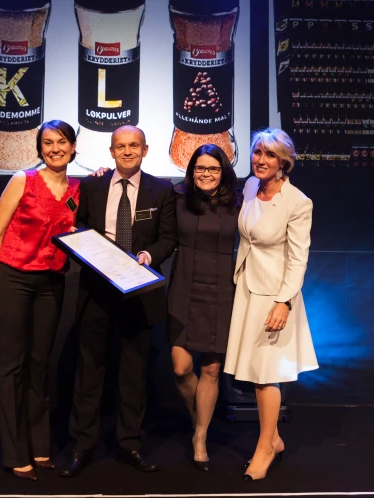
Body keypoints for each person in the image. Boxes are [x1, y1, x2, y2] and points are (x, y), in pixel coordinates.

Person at [60, 125, 177, 477]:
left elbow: (168, 237)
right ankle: (82, 447)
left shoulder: (163, 189)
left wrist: (147, 255)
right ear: (111, 152)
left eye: (134, 146)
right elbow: (76, 225)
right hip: (96, 289)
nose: (127, 152)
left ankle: (130, 445)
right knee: (89, 371)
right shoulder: (92, 186)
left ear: (145, 149)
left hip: (138, 291)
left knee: (133, 372)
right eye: (120, 146)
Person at [0, 120, 80, 481]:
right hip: (15, 278)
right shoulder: (23, 179)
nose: (55, 148)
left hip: (52, 282)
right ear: (40, 148)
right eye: (48, 143)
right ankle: (14, 452)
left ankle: (39, 447)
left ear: (73, 147)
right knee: (12, 366)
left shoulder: (78, 188)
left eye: (62, 142)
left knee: (41, 364)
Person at [224, 128, 319, 481]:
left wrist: (284, 303)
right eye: (257, 153)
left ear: (284, 161)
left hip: (274, 296)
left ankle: (264, 448)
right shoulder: (250, 186)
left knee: (266, 377)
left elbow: (298, 259)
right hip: (248, 290)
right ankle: (274, 439)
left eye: (269, 155)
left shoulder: (297, 202)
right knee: (253, 374)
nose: (261, 160)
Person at [166, 144, 241, 471]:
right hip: (184, 285)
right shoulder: (177, 198)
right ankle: (201, 417)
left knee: (211, 368)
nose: (206, 174)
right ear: (191, 171)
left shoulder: (239, 203)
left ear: (223, 171)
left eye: (212, 168)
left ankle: (200, 436)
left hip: (224, 288)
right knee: (181, 367)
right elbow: (165, 236)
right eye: (200, 168)